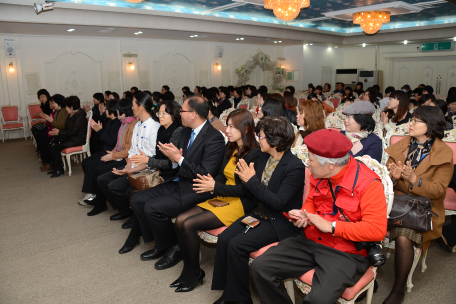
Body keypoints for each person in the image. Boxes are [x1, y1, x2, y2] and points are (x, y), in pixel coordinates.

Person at [250, 129, 387, 304]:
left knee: (318, 300)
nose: (308, 163)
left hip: (346, 252)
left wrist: (332, 226)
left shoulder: (369, 184)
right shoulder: (321, 174)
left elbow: (376, 230)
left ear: (330, 164)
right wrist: (305, 214)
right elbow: (311, 201)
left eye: (311, 160)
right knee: (260, 268)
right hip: (311, 239)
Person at [211, 116, 305, 304]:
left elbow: (277, 203)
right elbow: (251, 192)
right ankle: (230, 292)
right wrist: (247, 181)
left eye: (260, 136)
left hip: (278, 221)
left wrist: (251, 181)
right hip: (258, 213)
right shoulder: (263, 158)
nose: (257, 138)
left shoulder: (294, 167)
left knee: (237, 245)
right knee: (224, 238)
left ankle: (239, 299)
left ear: (274, 140)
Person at [130, 96, 225, 270]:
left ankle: (174, 247)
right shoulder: (186, 131)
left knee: (152, 208)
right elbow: (177, 163)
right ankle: (165, 243)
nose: (179, 113)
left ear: (193, 114)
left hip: (196, 189)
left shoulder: (214, 138)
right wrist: (173, 159)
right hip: (179, 181)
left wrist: (178, 159)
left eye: (183, 110)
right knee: (137, 200)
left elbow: (205, 174)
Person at [171, 109, 261, 292]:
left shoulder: (255, 154)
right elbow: (220, 175)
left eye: (231, 126)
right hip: (222, 197)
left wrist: (214, 187)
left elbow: (248, 190)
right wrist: (210, 184)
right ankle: (187, 269)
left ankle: (195, 272)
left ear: (245, 128)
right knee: (180, 220)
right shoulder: (231, 147)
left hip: (240, 203)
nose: (226, 130)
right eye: (226, 125)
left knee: (188, 224)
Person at [384, 106, 453, 304]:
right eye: (411, 119)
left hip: (423, 208)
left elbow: (439, 190)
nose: (410, 124)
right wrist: (393, 177)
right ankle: (363, 272)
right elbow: (386, 178)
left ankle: (398, 289)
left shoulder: (443, 153)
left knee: (404, 237)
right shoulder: (402, 145)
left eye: (416, 120)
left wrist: (415, 180)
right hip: (394, 200)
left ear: (431, 125)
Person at [119, 100, 184, 245]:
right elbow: (160, 158)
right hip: (163, 173)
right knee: (134, 194)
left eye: (164, 113)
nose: (160, 116)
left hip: (173, 178)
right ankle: (142, 236)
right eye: (159, 113)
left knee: (138, 197)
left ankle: (139, 237)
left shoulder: (177, 131)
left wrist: (148, 161)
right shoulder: (162, 129)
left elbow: (171, 163)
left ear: (174, 115)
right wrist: (146, 160)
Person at [87, 92, 160, 218]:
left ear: (141, 107)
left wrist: (129, 171)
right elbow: (132, 150)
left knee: (113, 185)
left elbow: (150, 160)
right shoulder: (137, 125)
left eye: (133, 105)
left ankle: (130, 214)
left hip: (146, 170)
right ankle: (125, 211)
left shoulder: (154, 127)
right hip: (133, 166)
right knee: (103, 179)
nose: (131, 108)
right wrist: (128, 167)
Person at [80, 98, 136, 208]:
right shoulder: (120, 122)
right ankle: (96, 197)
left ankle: (98, 199)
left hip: (123, 158)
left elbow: (119, 145)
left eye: (107, 109)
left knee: (97, 169)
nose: (106, 111)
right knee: (88, 163)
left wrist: (113, 155)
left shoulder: (129, 124)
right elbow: (117, 144)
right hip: (113, 152)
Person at [80, 100, 121, 201]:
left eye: (107, 109)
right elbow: (102, 138)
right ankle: (92, 187)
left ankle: (93, 193)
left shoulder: (118, 123)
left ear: (112, 110)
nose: (105, 111)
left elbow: (111, 142)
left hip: (110, 152)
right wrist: (99, 131)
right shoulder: (110, 121)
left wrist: (100, 131)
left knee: (91, 166)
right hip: (103, 149)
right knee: (85, 162)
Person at [47, 96, 88, 178]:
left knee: (55, 147)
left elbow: (72, 132)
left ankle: (59, 169)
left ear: (71, 107)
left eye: (66, 107)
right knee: (51, 142)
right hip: (72, 137)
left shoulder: (79, 116)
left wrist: (59, 132)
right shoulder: (74, 114)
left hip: (77, 140)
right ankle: (56, 167)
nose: (65, 109)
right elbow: (69, 129)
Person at [38, 94, 69, 172]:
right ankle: (49, 162)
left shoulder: (64, 111)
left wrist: (50, 120)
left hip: (62, 134)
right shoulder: (57, 111)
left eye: (53, 103)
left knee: (47, 142)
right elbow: (54, 124)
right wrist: (49, 120)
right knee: (43, 140)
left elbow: (62, 126)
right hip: (56, 132)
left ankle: (51, 163)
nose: (52, 105)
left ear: (58, 102)